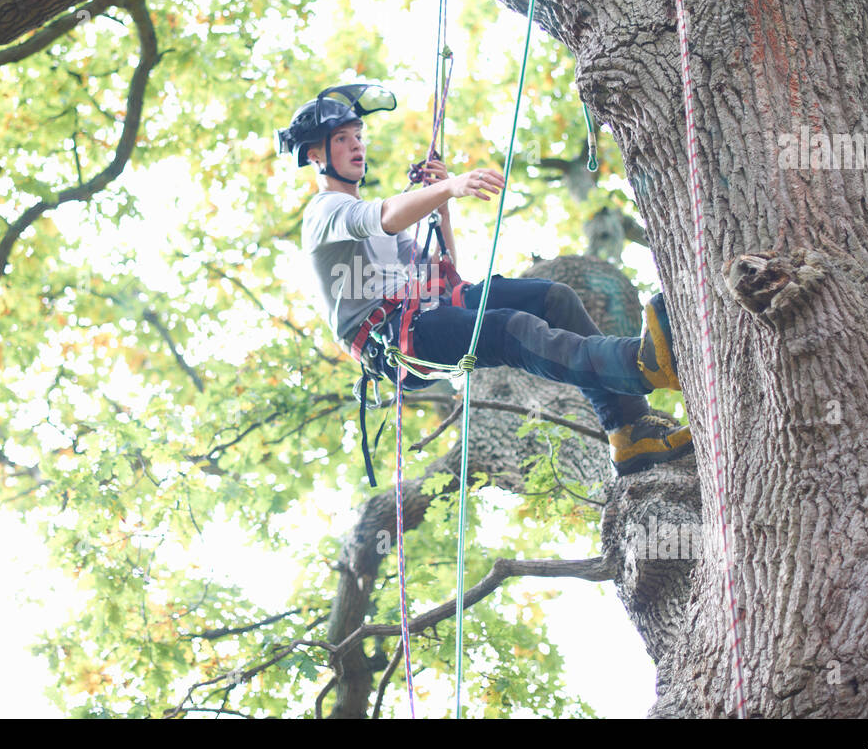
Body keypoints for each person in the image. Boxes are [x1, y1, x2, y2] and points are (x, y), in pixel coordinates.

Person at [279, 83, 692, 476]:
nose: (356, 145)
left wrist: (442, 205)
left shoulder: (373, 219)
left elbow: (443, 272)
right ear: (315, 155)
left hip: (428, 311)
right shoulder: (325, 211)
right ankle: (638, 365)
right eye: (341, 139)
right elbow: (382, 216)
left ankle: (630, 429)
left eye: (358, 136)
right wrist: (451, 188)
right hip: (397, 339)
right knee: (510, 329)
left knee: (555, 299)